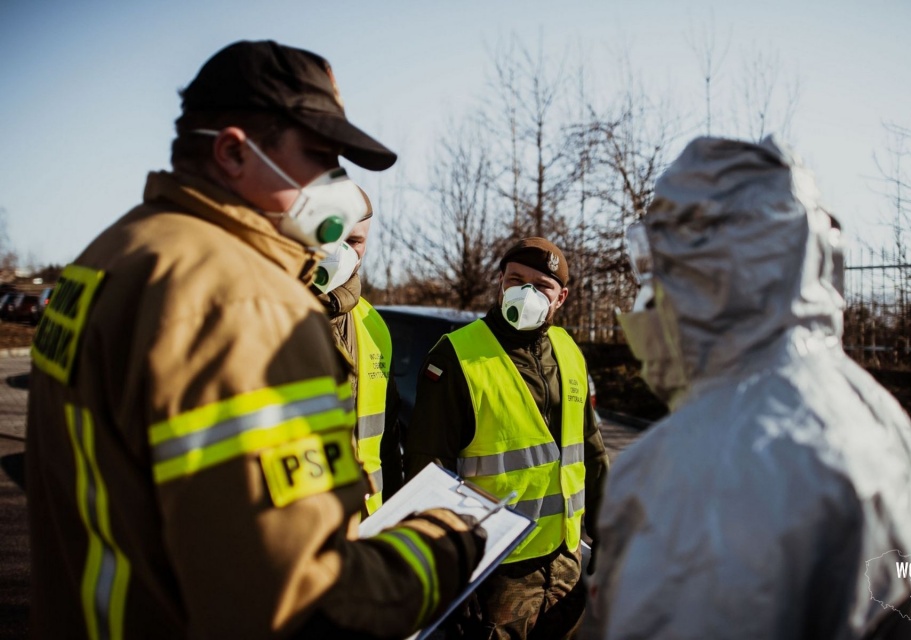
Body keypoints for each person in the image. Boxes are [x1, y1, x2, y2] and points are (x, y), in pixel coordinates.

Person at [25, 39, 485, 639]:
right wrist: (442, 548)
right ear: (232, 151)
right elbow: (303, 604)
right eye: (320, 157)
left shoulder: (113, 255)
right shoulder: (244, 302)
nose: (337, 185)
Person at [586, 136, 911, 639]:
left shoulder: (698, 467)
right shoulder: (877, 412)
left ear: (709, 276)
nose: (646, 299)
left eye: (663, 269)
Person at [405, 237, 610, 640]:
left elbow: (590, 447)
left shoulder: (568, 351)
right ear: (500, 282)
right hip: (493, 568)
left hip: (563, 560)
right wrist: (449, 571)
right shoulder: (456, 355)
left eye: (542, 285)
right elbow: (428, 471)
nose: (526, 292)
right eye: (516, 279)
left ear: (561, 297)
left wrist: (608, 533)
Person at [310, 201, 402, 513]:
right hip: (301, 529)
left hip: (367, 520)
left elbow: (387, 441)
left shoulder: (373, 324)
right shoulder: (265, 312)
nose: (341, 253)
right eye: (332, 237)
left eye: (354, 241)